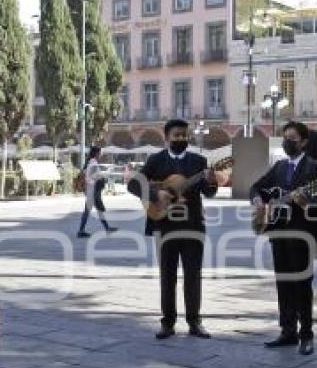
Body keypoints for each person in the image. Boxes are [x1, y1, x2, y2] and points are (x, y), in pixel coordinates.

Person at [127, 119, 218, 340]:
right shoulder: (156, 160)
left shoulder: (199, 161)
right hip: (164, 224)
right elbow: (133, 184)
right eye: (176, 135)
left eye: (184, 135)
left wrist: (213, 180)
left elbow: (210, 192)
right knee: (167, 276)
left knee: (193, 275)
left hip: (193, 226)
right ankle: (167, 323)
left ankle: (195, 322)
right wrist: (156, 192)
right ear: (167, 137)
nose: (181, 139)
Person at [250, 121, 317, 356]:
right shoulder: (280, 167)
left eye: (292, 138)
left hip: (302, 234)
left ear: (303, 142)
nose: (287, 142)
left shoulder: (316, 167)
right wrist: (258, 202)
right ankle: (287, 331)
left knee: (302, 285)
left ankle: (307, 335)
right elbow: (257, 187)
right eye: (285, 138)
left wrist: (307, 202)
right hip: (278, 232)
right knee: (283, 283)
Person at [77, 146, 117, 238]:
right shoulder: (93, 163)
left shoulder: (89, 162)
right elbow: (93, 177)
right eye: (100, 153)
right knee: (90, 210)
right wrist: (102, 178)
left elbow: (88, 176)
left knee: (94, 210)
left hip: (90, 189)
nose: (100, 155)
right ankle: (81, 231)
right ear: (96, 153)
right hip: (92, 190)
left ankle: (106, 228)